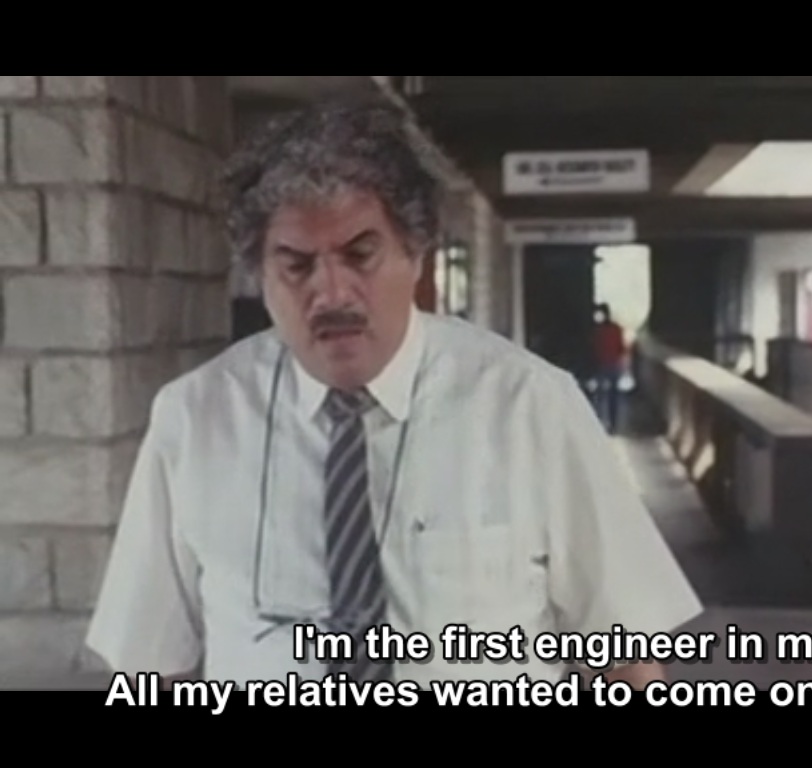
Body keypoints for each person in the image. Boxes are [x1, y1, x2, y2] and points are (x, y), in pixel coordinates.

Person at [85, 100, 702, 688]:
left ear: (416, 254)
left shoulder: (529, 405)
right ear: (259, 275)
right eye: (296, 265)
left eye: (360, 255)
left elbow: (630, 657)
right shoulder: (196, 419)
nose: (332, 293)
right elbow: (148, 662)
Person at [591, 303, 627, 433]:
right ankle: (613, 424)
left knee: (600, 396)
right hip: (613, 365)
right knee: (612, 396)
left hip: (602, 365)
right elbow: (622, 348)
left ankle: (598, 422)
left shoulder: (598, 331)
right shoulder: (616, 329)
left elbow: (594, 348)